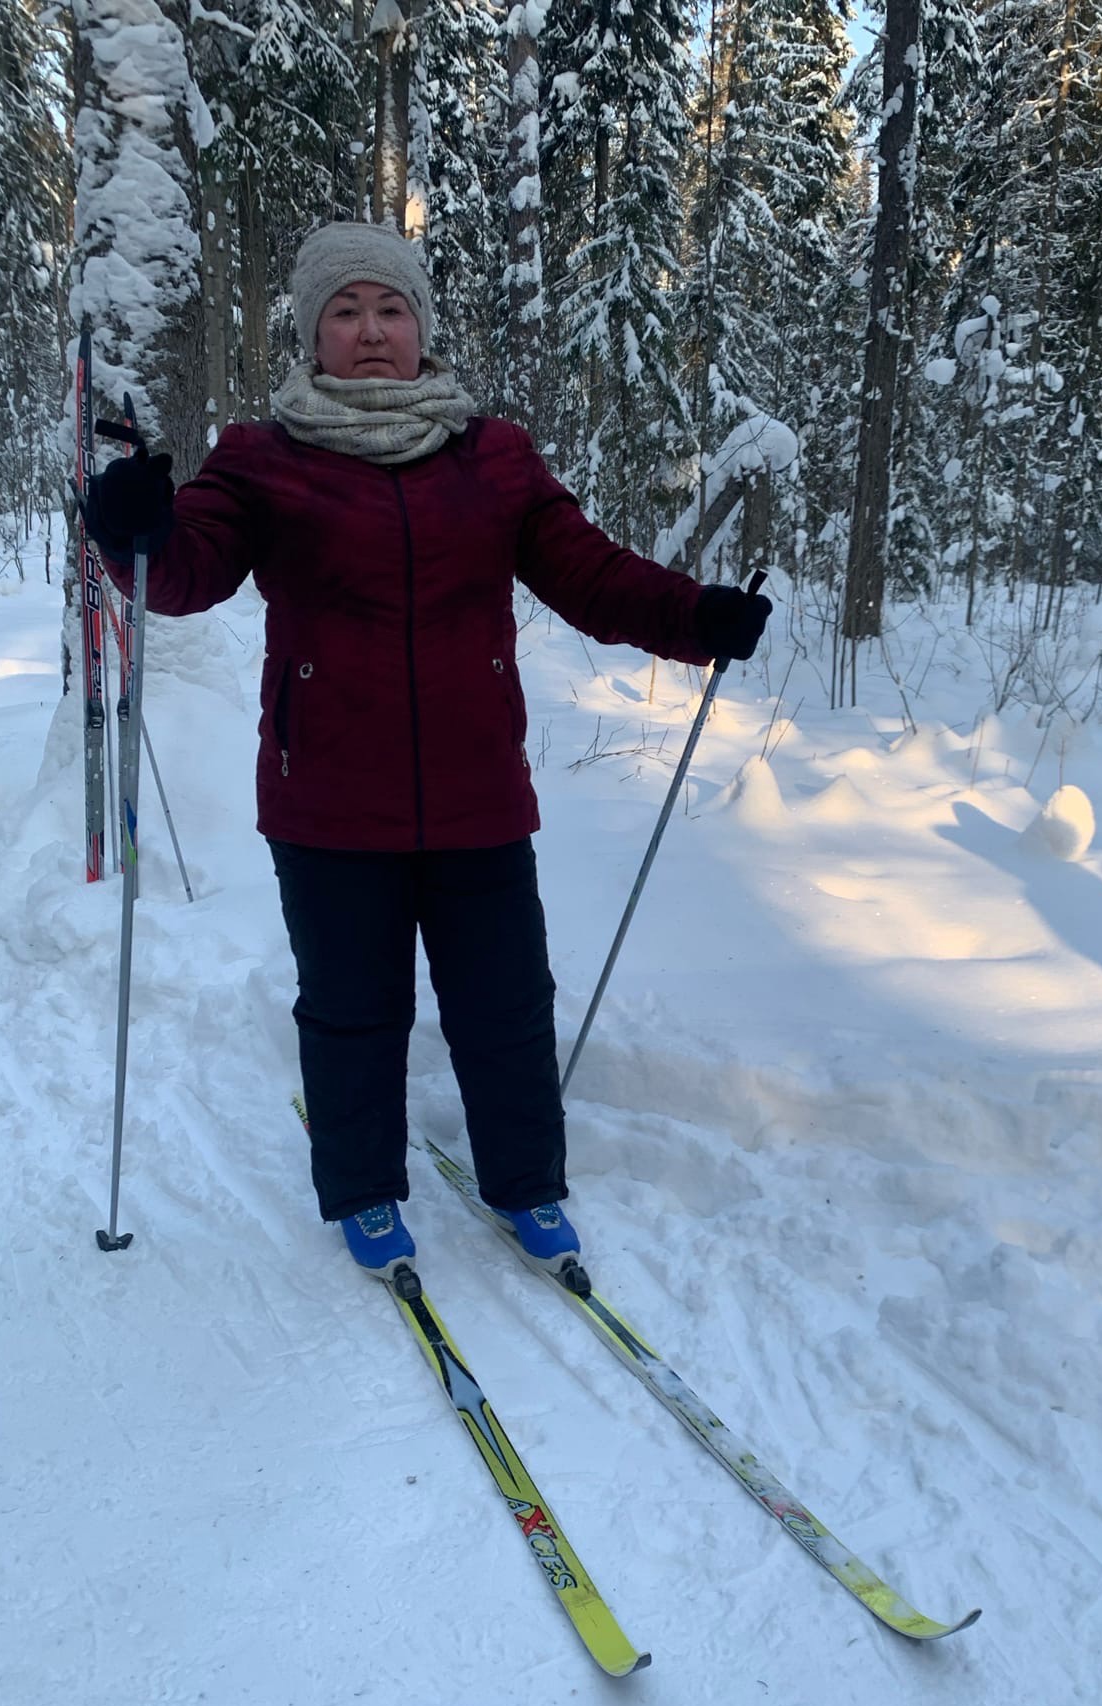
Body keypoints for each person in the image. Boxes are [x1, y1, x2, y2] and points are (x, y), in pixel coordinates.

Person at [81, 220, 771, 1284]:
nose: (369, 331)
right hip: (328, 800)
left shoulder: (491, 457)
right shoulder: (261, 459)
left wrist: (697, 617)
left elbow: (589, 573)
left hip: (476, 793)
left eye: (390, 309)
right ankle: (364, 1194)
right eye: (345, 312)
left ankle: (528, 1184)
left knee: (505, 1003)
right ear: (313, 336)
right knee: (354, 1009)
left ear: (421, 327)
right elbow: (188, 573)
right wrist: (140, 530)